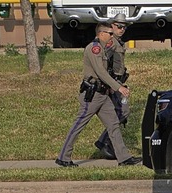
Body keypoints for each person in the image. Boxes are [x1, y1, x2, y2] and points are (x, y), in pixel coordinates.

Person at [56, 22, 142, 167]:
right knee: (78, 126)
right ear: (101, 33)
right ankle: (63, 157)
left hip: (103, 95)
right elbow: (100, 72)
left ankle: (124, 158)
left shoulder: (104, 49)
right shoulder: (94, 48)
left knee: (114, 125)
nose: (111, 36)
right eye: (109, 33)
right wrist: (118, 87)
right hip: (92, 96)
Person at [95, 13, 130, 160]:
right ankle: (104, 142)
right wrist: (111, 83)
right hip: (113, 83)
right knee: (123, 111)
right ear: (112, 26)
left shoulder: (118, 42)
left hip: (118, 82)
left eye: (124, 27)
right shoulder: (110, 43)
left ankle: (105, 142)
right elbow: (103, 62)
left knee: (122, 112)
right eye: (119, 26)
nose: (122, 29)